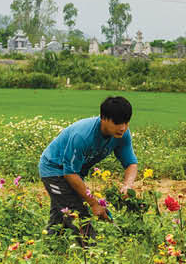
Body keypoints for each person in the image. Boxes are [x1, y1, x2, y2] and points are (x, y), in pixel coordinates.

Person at [39, 96, 139, 243]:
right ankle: (90, 252)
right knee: (79, 214)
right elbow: (69, 173)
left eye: (126, 122)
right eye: (117, 123)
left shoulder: (122, 135)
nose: (122, 127)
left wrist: (127, 186)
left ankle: (50, 246)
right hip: (54, 169)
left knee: (60, 216)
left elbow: (131, 163)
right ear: (103, 118)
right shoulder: (82, 136)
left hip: (75, 172)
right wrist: (94, 203)